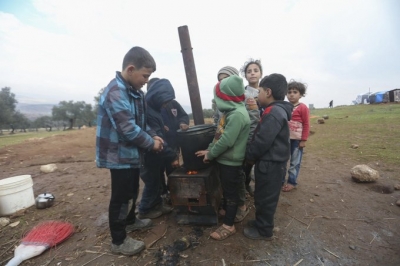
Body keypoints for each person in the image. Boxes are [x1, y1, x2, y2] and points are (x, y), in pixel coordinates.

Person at [96, 46, 163, 256]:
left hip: (132, 154)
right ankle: (118, 240)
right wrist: (151, 144)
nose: (146, 80)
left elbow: (141, 123)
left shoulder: (136, 92)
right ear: (131, 69)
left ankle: (130, 221)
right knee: (120, 196)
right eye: (145, 75)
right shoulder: (116, 92)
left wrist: (153, 134)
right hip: (118, 156)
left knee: (133, 189)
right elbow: (127, 129)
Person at [196, 75, 250, 240]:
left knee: (231, 194)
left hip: (231, 162)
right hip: (224, 160)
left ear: (226, 96)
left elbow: (226, 141)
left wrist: (211, 155)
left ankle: (229, 225)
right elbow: (218, 135)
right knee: (227, 191)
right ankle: (228, 213)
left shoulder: (238, 115)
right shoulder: (229, 113)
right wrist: (209, 150)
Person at [244, 73, 293, 240]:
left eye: (260, 91)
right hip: (271, 162)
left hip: (271, 164)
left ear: (268, 92)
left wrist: (250, 156)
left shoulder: (273, 113)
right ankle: (260, 222)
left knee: (266, 198)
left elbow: (262, 141)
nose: (257, 95)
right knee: (261, 195)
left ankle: (264, 230)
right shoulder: (275, 110)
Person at [138, 78, 180, 219]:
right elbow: (158, 138)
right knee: (151, 184)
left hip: (154, 156)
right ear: (157, 96)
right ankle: (144, 210)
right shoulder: (149, 111)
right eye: (165, 100)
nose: (166, 104)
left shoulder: (155, 109)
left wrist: (163, 128)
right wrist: (173, 156)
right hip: (147, 157)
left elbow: (158, 131)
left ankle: (157, 205)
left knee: (156, 183)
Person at [240, 59, 263, 197]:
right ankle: (245, 185)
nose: (252, 73)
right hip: (248, 133)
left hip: (264, 132)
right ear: (245, 76)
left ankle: (260, 187)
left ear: (261, 73)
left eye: (255, 70)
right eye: (249, 71)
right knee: (246, 162)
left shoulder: (266, 92)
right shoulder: (242, 94)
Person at [282, 80, 310, 192]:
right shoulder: (284, 106)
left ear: (301, 94)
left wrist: (303, 140)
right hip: (284, 140)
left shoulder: (303, 108)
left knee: (294, 162)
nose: (291, 94)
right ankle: (280, 180)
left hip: (297, 141)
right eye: (289, 92)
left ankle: (292, 182)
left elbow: (306, 124)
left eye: (295, 92)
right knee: (282, 161)